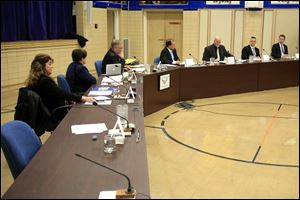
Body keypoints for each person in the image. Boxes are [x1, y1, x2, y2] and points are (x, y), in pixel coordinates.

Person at [26, 54, 95, 126]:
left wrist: (72, 98)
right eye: (49, 64)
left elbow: (57, 94)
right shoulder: (44, 81)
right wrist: (82, 98)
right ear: (42, 66)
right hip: (54, 114)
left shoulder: (34, 80)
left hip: (46, 112)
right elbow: (61, 94)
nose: (51, 66)